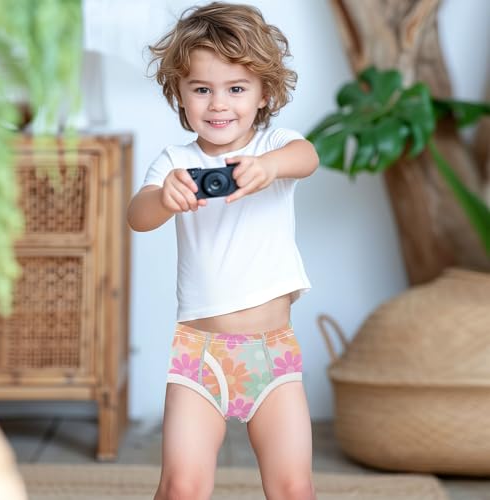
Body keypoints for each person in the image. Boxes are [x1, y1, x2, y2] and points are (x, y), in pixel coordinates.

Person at [127, 2, 319, 499]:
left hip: (273, 354)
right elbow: (138, 216)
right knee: (181, 487)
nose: (218, 104)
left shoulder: (274, 146)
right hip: (200, 355)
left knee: (294, 487)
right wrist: (164, 198)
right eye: (201, 89)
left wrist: (269, 168)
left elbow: (307, 157)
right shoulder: (176, 162)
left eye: (236, 89)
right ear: (179, 92)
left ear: (264, 93)